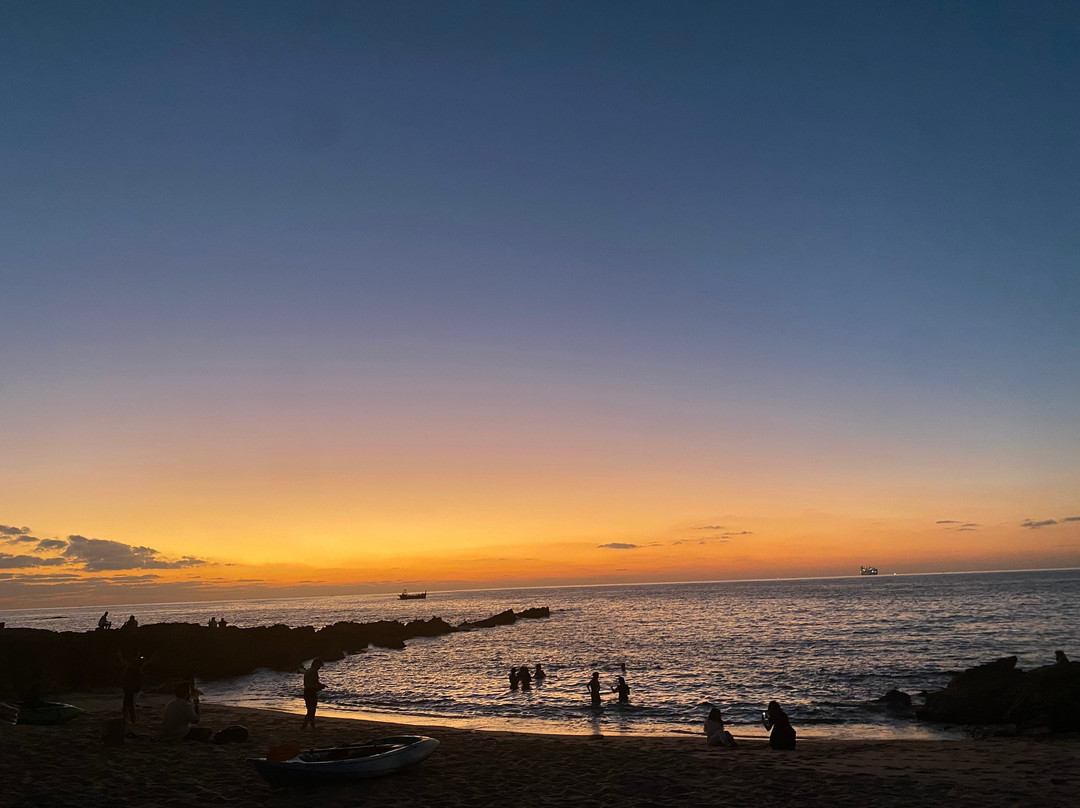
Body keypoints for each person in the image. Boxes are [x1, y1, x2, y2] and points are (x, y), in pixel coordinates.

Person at [121, 654, 147, 725]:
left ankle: (129, 719)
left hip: (131, 689)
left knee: (128, 705)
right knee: (129, 705)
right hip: (132, 689)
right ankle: (130, 719)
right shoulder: (135, 669)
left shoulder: (133, 669)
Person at [301, 658, 326, 729]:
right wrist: (321, 686)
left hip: (306, 691)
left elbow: (308, 683)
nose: (319, 668)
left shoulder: (308, 671)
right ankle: (308, 725)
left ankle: (308, 725)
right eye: (319, 666)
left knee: (310, 709)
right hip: (311, 692)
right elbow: (315, 683)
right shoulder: (314, 672)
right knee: (312, 710)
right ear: (316, 664)